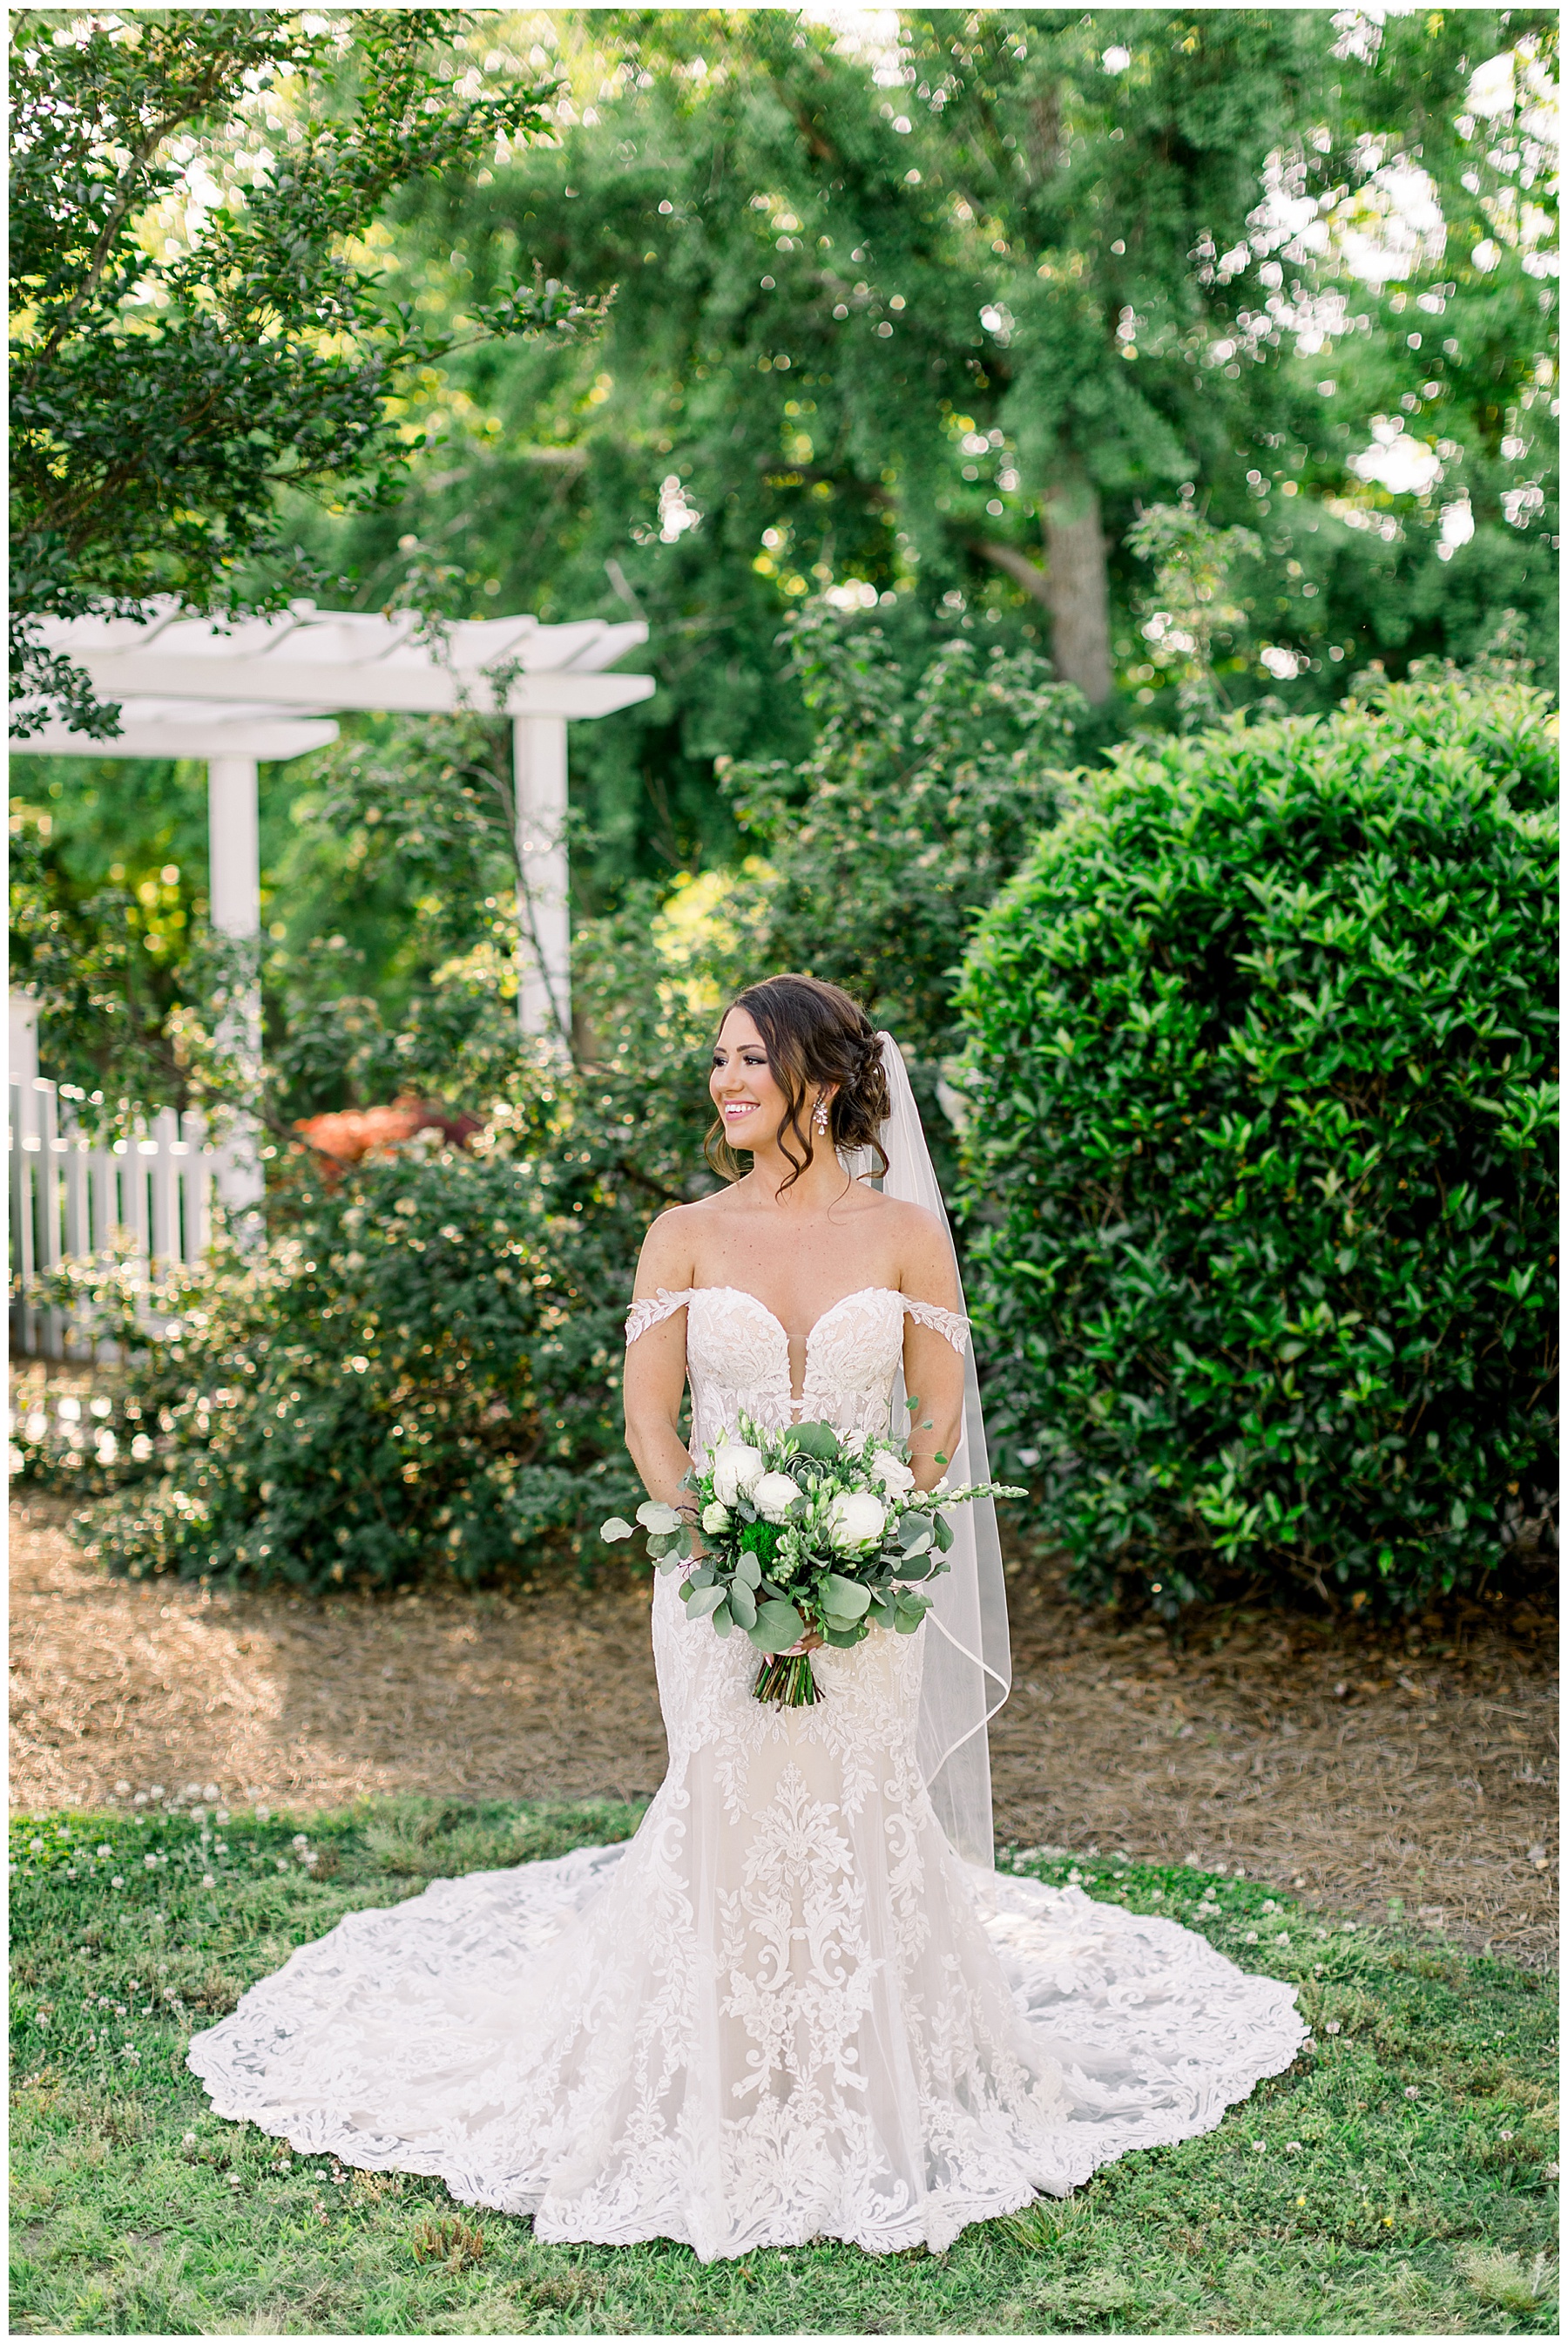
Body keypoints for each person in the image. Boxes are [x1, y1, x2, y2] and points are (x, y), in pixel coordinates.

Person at [187, 972, 1304, 2262]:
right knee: (725, 1790)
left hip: (865, 1584)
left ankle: (868, 2068)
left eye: (748, 1062)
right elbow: (652, 1422)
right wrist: (720, 1539)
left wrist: (874, 1533)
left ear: (821, 1082)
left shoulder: (903, 1235)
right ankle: (716, 2070)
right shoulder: (683, 1232)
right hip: (710, 1586)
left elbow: (935, 1419)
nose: (723, 1082)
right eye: (716, 1062)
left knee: (851, 1796)